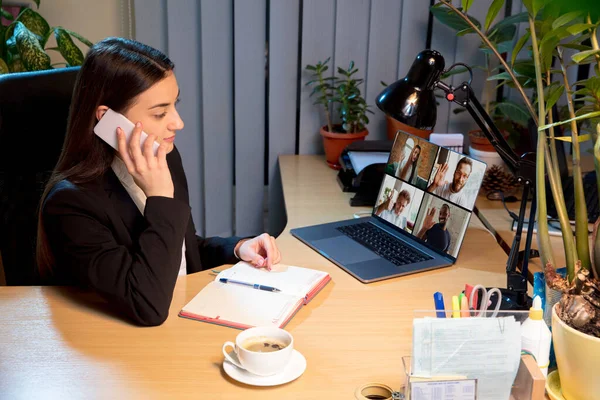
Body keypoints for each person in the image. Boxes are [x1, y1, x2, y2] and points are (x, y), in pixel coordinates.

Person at [36, 38, 281, 326]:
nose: (178, 123)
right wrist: (161, 196)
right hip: (119, 349)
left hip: (180, 320)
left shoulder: (163, 155)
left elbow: (177, 251)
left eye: (174, 105)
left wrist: (237, 248)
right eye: (160, 113)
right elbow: (147, 304)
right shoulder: (71, 205)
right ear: (107, 119)